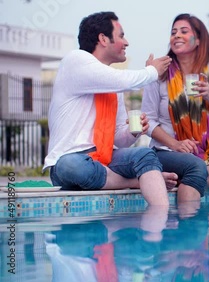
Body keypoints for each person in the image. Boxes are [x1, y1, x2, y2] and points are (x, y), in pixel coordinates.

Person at [42, 11, 177, 206]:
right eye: (121, 35)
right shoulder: (75, 60)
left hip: (105, 160)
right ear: (103, 39)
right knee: (71, 165)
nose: (127, 42)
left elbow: (118, 139)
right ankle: (133, 182)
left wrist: (134, 132)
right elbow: (126, 80)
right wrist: (153, 71)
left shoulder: (113, 86)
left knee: (144, 154)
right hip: (71, 163)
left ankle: (159, 222)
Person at [142, 13, 209, 203]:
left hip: (206, 154)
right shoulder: (159, 73)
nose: (176, 35)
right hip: (166, 152)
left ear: (199, 40)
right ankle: (194, 176)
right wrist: (175, 144)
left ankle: (186, 176)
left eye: (184, 31)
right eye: (173, 32)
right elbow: (148, 121)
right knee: (196, 167)